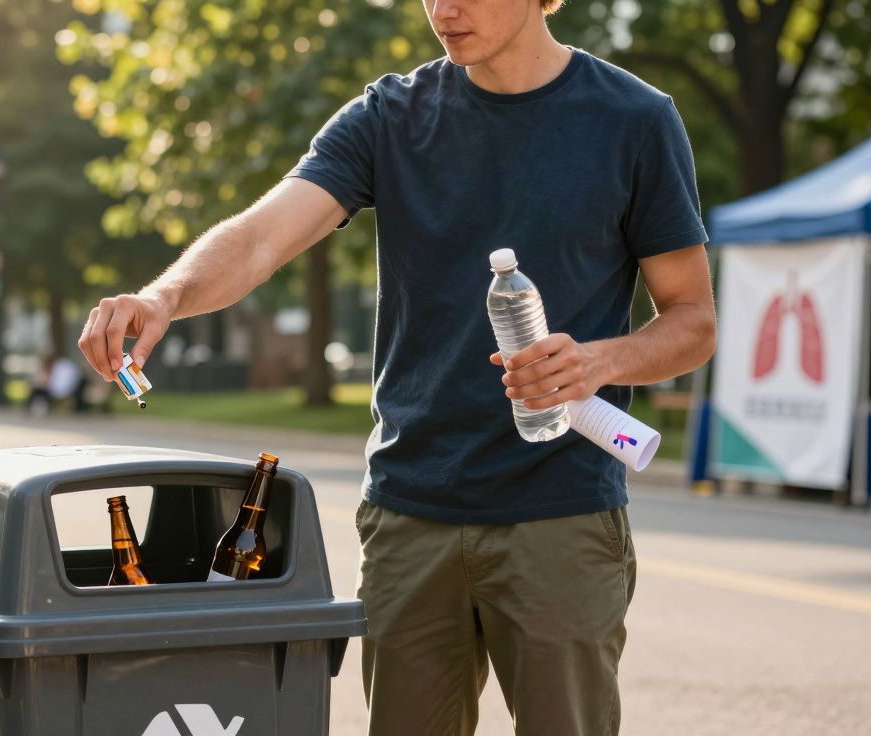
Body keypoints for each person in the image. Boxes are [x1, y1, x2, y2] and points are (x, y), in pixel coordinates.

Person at [78, 2, 717, 734]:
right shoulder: (390, 115)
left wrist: (602, 360)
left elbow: (693, 319)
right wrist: (165, 297)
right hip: (410, 514)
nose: (444, 8)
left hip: (561, 514)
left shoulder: (635, 119)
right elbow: (261, 239)